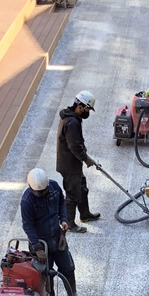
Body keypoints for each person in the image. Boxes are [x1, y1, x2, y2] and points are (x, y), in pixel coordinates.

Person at [20, 168, 86, 296]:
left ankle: (72, 294)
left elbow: (62, 203)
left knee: (68, 267)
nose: (41, 194)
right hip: (40, 242)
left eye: (43, 191)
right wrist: (37, 247)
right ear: (30, 188)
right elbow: (28, 225)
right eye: (38, 193)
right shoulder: (27, 201)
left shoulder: (54, 188)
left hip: (57, 237)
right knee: (45, 273)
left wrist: (63, 219)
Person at [56, 90, 100, 233]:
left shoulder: (70, 117)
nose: (88, 112)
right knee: (73, 194)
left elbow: (76, 142)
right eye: (87, 108)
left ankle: (85, 214)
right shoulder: (72, 122)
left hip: (72, 163)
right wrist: (86, 159)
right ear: (80, 106)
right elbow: (73, 145)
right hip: (69, 165)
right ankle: (69, 224)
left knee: (81, 187)